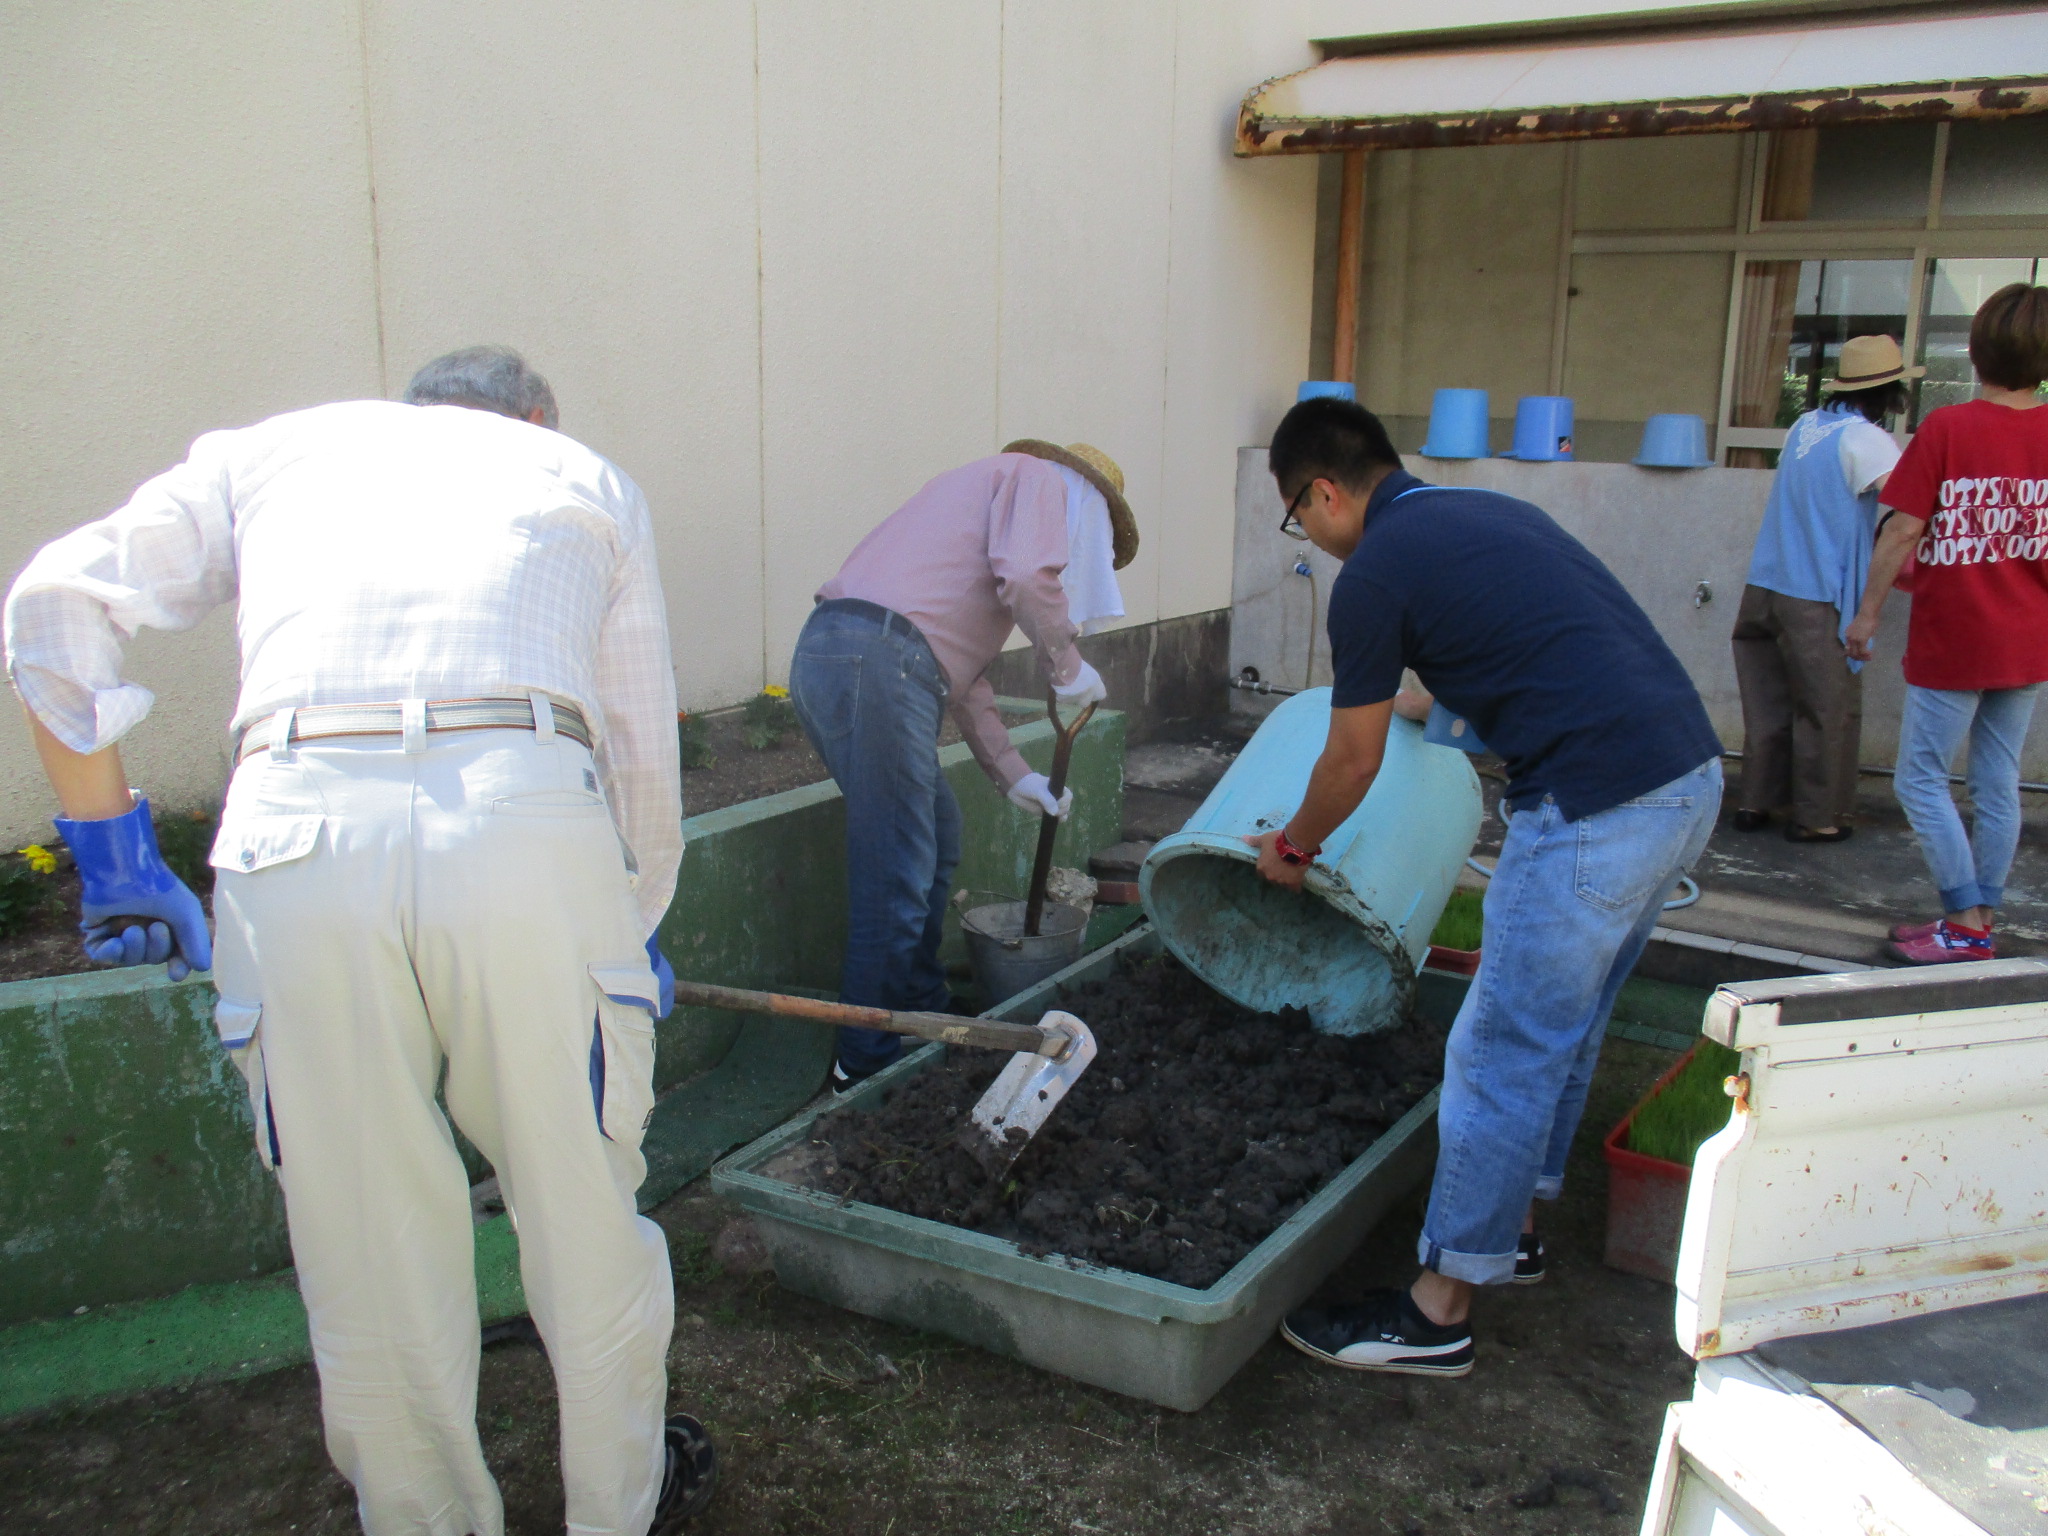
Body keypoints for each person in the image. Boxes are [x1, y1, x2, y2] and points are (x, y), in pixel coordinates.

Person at [4, 347, 715, 1536]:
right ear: (533, 415)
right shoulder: (578, 471)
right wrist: (630, 925)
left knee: (366, 1243)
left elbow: (54, 605)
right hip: (524, 818)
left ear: (411, 408)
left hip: (294, 830)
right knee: (582, 1209)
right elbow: (639, 746)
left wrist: (115, 859)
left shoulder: (269, 453)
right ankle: (615, 1514)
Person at [1253, 397, 1721, 1378]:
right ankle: (1505, 1231)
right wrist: (1420, 701)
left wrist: (1290, 850)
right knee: (1567, 1023)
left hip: (1595, 806)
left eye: (1298, 518)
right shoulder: (1483, 514)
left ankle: (1435, 1314)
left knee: (1498, 1049)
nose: (1311, 538)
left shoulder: (1372, 573)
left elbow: (1348, 760)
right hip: (1680, 778)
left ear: (1323, 493)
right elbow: (1523, 651)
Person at [791, 441, 1136, 1087]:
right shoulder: (1039, 478)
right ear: (1088, 501)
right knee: (896, 868)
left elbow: (962, 678)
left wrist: (1015, 775)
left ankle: (919, 1007)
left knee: (934, 834)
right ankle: (861, 1060)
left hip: (846, 653)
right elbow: (1032, 577)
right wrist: (1067, 666)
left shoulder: (981, 498)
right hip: (879, 661)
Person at [1846, 283, 2048, 964]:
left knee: (1920, 780)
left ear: (1977, 348)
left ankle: (1964, 925)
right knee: (1997, 782)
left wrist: (1866, 615)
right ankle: (1976, 923)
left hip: (1956, 639)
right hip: (2028, 640)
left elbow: (1903, 531)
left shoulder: (1948, 429)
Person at [1731, 334, 1913, 842]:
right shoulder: (1868, 440)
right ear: (1891, 391)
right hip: (1816, 592)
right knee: (1826, 707)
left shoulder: (1805, 426)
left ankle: (1755, 803)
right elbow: (1907, 511)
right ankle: (1818, 818)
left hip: (1765, 583)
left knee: (1767, 702)